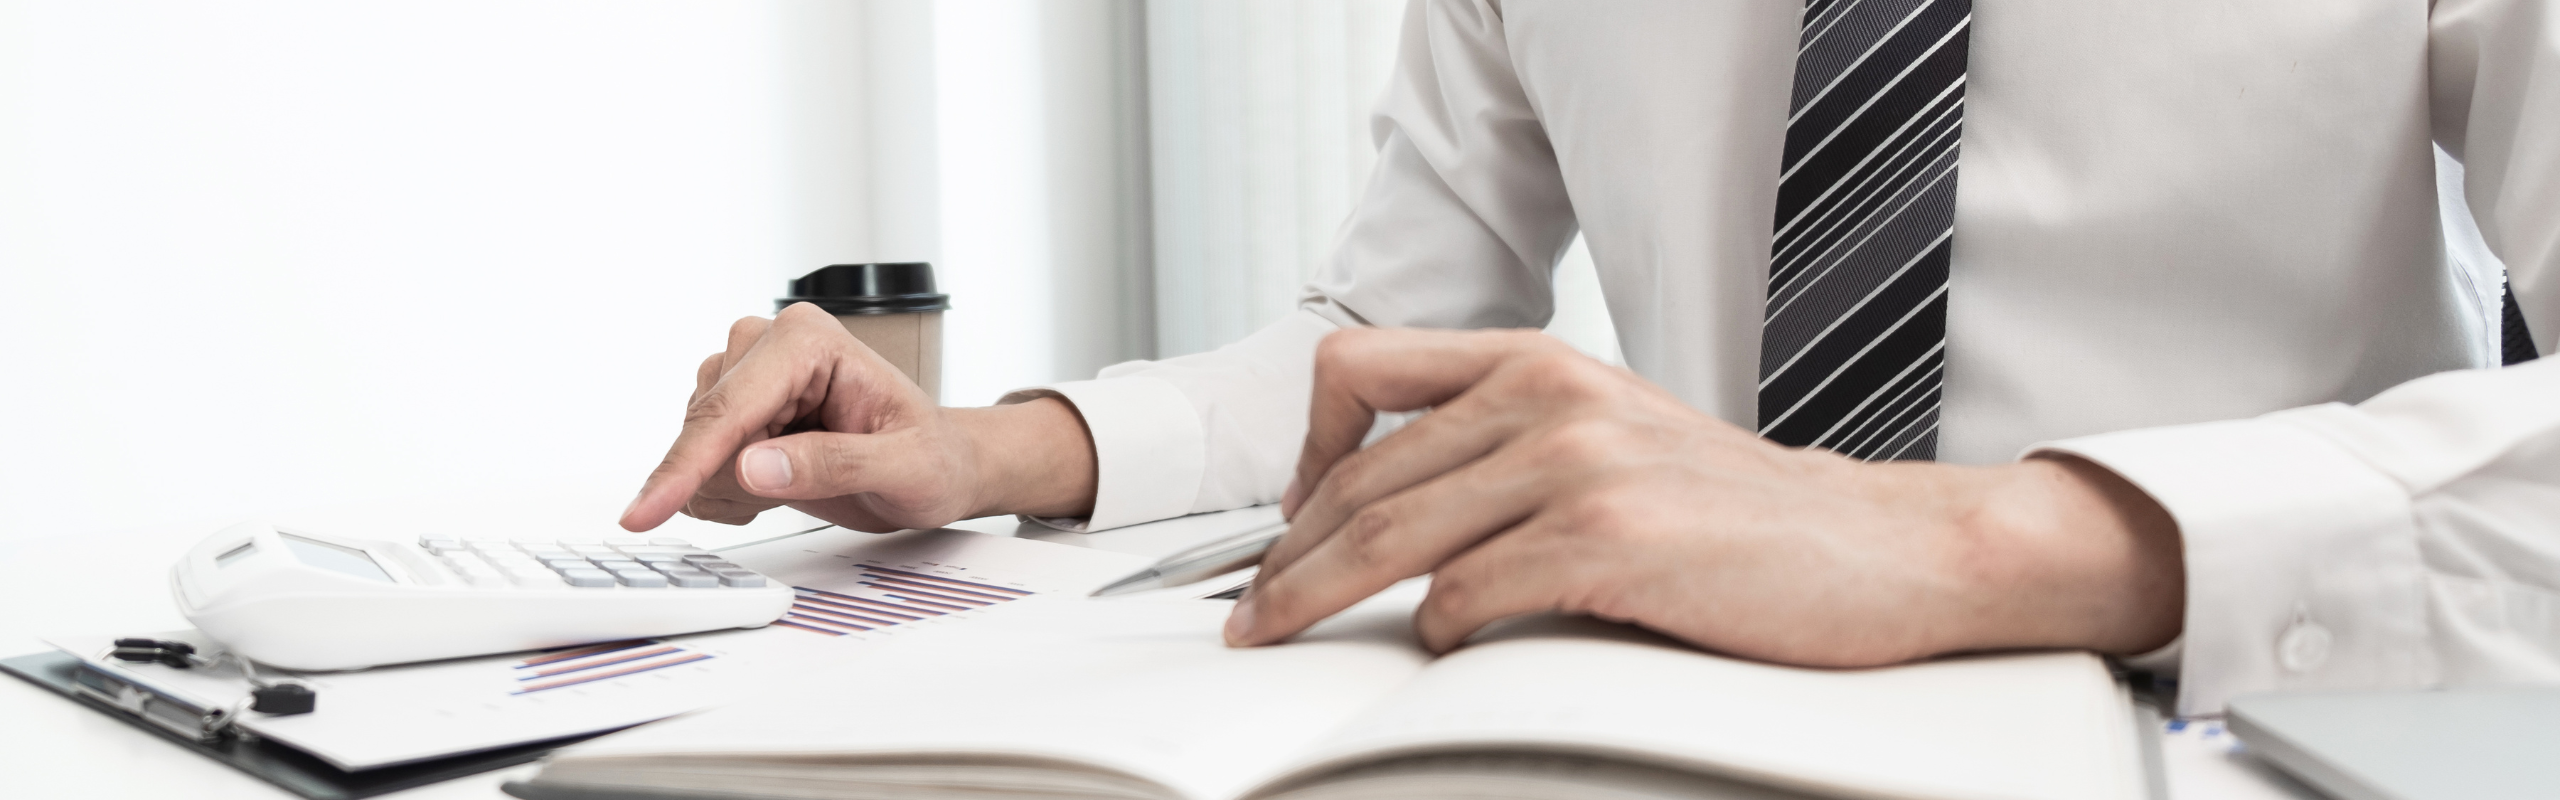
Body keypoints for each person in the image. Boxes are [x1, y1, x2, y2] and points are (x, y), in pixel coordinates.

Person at [620, 0, 2560, 717]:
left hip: (2264, 729)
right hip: (1701, 736)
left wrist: (1957, 547)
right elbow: (1365, 344)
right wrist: (991, 446)